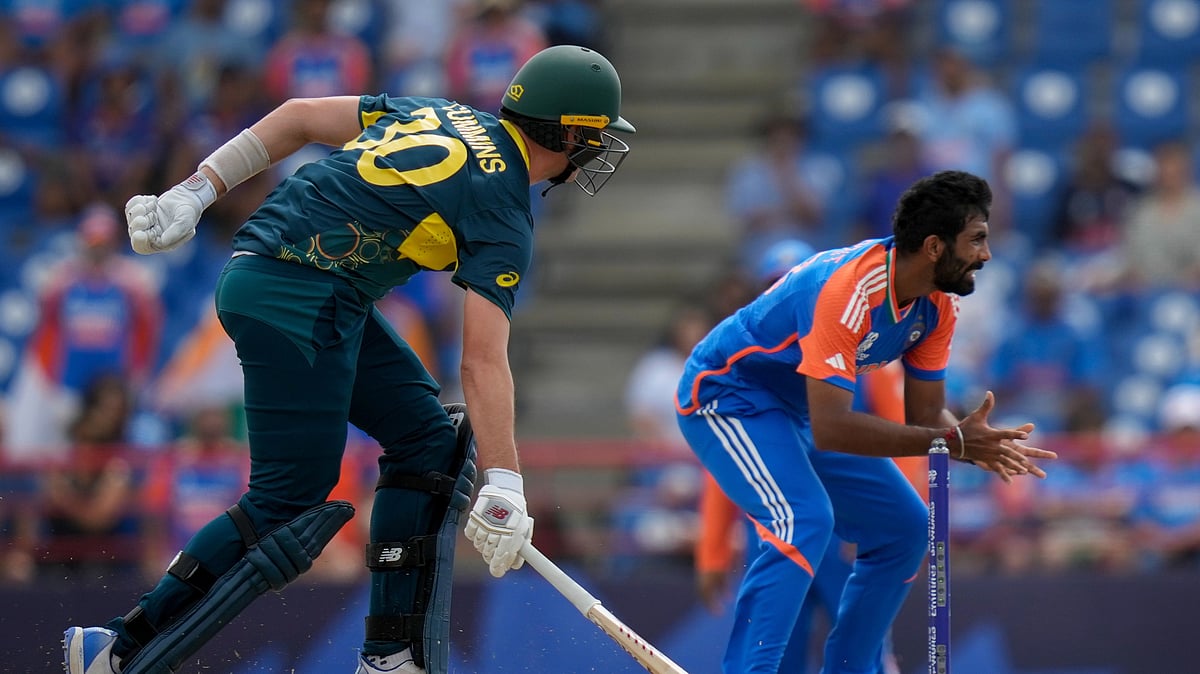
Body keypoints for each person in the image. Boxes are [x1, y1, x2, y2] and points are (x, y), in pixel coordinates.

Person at [62, 44, 635, 674]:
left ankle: (393, 657)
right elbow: (482, 363)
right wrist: (506, 483)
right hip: (298, 295)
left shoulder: (441, 112)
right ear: (571, 131)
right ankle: (121, 646)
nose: (599, 151)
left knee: (428, 440)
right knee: (291, 501)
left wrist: (197, 191)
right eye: (597, 136)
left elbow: (302, 114)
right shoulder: (503, 205)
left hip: (306, 286)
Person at [674, 170, 1056, 673]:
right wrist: (952, 441)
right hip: (726, 397)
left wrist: (966, 435)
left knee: (906, 528)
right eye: (977, 239)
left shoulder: (937, 307)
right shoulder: (849, 292)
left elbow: (923, 417)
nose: (986, 254)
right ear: (936, 247)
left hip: (797, 413)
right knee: (802, 518)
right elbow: (836, 428)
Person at [693, 238, 902, 674]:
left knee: (863, 652)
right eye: (774, 283)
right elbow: (727, 461)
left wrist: (889, 525)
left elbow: (903, 445)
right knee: (774, 653)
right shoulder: (756, 360)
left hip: (844, 530)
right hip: (775, 527)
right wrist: (712, 551)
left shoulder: (865, 352)